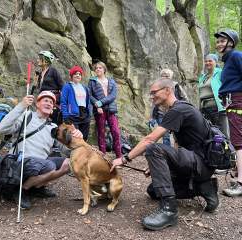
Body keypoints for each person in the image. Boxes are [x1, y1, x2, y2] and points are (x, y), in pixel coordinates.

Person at [111, 78, 218, 231]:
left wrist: (124, 158)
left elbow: (149, 140)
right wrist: (159, 166)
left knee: (153, 148)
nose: (152, 96)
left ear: (167, 90)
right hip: (197, 163)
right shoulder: (177, 110)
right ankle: (204, 188)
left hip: (201, 163)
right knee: (153, 190)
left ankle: (169, 211)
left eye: (154, 92)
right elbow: (178, 148)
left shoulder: (178, 110)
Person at [0, 91, 82, 209]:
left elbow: (68, 150)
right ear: (37, 104)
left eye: (51, 102)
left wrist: (77, 137)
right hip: (20, 161)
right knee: (48, 166)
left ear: (53, 108)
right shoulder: (26, 116)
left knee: (69, 162)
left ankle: (36, 187)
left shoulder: (53, 128)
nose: (49, 103)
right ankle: (21, 191)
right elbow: (3, 129)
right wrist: (21, 105)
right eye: (45, 100)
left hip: (41, 163)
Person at [214, 29, 242, 196]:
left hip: (237, 101)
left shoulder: (236, 56)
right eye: (218, 41)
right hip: (232, 102)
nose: (219, 44)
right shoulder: (229, 59)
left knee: (239, 143)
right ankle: (239, 175)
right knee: (238, 141)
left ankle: (240, 183)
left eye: (222, 41)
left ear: (231, 42)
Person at [88, 61, 122, 158]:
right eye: (96, 68)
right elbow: (89, 95)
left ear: (104, 69)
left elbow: (113, 95)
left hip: (111, 109)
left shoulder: (111, 81)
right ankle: (103, 156)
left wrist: (101, 102)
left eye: (100, 68)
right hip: (99, 111)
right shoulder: (92, 81)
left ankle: (119, 156)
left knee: (115, 132)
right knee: (101, 132)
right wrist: (97, 105)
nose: (98, 69)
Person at [197, 54, 229, 137]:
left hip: (217, 107)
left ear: (215, 62)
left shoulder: (220, 73)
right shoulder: (203, 77)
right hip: (205, 109)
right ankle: (214, 150)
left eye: (210, 61)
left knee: (222, 132)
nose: (207, 63)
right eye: (206, 61)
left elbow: (228, 85)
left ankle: (228, 149)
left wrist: (227, 102)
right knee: (209, 133)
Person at [60, 65, 91, 141]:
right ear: (71, 76)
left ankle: (83, 152)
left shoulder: (84, 87)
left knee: (84, 137)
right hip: (73, 115)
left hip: (84, 114)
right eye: (75, 74)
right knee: (75, 137)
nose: (78, 75)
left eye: (79, 74)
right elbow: (63, 102)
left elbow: (88, 101)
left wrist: (89, 113)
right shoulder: (67, 86)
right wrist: (66, 116)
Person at [34, 50, 65, 124]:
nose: (37, 60)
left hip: (53, 100)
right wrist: (36, 81)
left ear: (45, 60)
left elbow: (62, 86)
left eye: (39, 58)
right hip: (43, 99)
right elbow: (39, 88)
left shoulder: (53, 71)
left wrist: (62, 103)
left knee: (53, 121)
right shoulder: (40, 73)